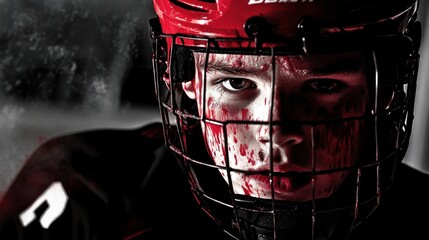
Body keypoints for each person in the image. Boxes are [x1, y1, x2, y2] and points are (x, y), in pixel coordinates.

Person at [0, 0, 428, 239]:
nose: (276, 135)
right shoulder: (88, 194)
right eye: (237, 84)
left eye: (323, 87)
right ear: (184, 78)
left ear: (384, 85)